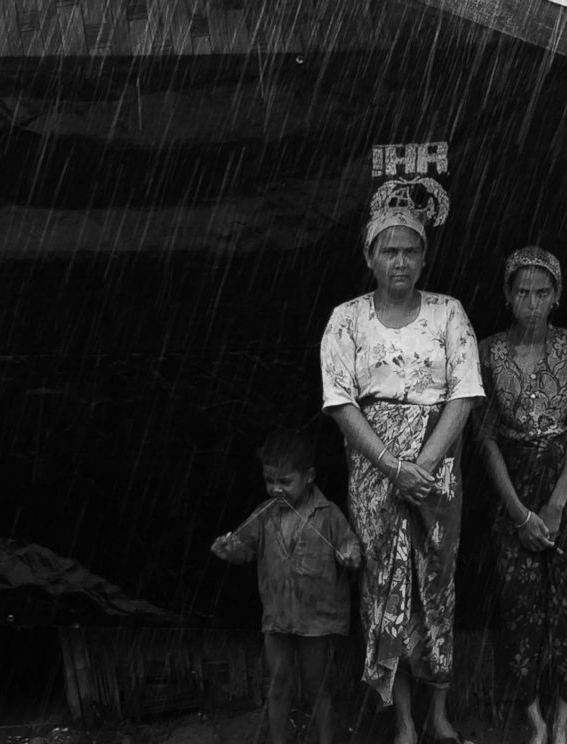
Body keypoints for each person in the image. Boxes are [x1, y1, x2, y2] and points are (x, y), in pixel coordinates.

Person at [320, 207, 484, 744]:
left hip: (437, 474)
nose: (399, 261)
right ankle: (405, 720)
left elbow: (463, 394)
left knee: (435, 584)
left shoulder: (448, 313)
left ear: (424, 258)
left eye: (410, 250)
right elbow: (341, 403)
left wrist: (425, 467)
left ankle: (438, 713)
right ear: (369, 258)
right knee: (386, 587)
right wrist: (394, 468)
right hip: (374, 473)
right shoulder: (346, 319)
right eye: (388, 251)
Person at [474, 246, 567, 744]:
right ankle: (534, 719)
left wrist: (556, 504)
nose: (531, 302)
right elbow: (484, 436)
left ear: (558, 297)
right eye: (521, 291)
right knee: (518, 604)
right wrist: (519, 511)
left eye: (542, 292)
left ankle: (564, 715)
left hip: (563, 483)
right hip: (512, 485)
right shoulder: (487, 351)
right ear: (507, 295)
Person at [210, 429, 362, 744]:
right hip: (277, 617)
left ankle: (326, 740)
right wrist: (230, 549)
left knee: (317, 685)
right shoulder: (264, 514)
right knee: (277, 683)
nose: (276, 489)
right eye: (270, 481)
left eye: (285, 481)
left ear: (309, 476)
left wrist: (350, 554)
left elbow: (350, 544)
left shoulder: (328, 513)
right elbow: (245, 548)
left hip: (316, 619)